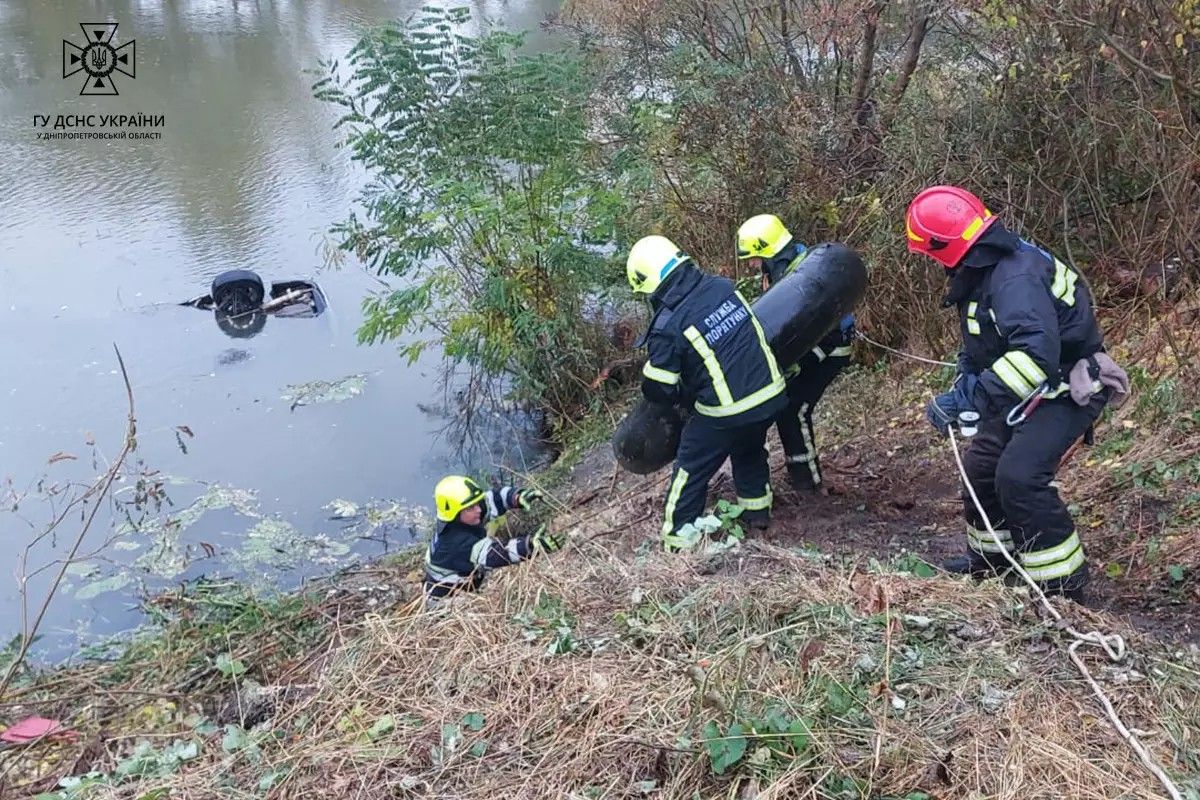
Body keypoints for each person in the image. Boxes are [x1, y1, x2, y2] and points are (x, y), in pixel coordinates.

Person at [906, 185, 1116, 601]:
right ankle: (994, 564)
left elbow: (1034, 357)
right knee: (981, 467)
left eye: (929, 254)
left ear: (942, 247)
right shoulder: (983, 267)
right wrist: (966, 380)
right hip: (1029, 388)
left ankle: (1062, 588)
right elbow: (987, 340)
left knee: (1019, 476)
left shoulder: (1013, 278)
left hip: (1068, 388)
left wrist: (970, 400)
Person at [629, 234, 788, 550]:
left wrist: (665, 386)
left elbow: (660, 390)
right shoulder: (722, 287)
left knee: (691, 465)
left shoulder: (667, 325)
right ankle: (757, 513)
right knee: (749, 449)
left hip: (729, 409)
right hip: (770, 391)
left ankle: (677, 537)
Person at [736, 214, 855, 492]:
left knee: (795, 409)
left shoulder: (797, 276)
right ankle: (802, 477)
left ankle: (808, 484)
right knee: (787, 407)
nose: (752, 265)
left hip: (829, 348)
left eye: (754, 258)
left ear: (767, 249)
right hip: (816, 347)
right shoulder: (794, 265)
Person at [423, 475, 563, 600]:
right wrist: (530, 546)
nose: (478, 509)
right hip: (447, 603)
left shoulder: (462, 518)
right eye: (470, 508)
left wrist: (516, 497)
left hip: (464, 581)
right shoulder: (455, 544)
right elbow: (495, 553)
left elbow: (492, 500)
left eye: (477, 503)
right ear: (454, 514)